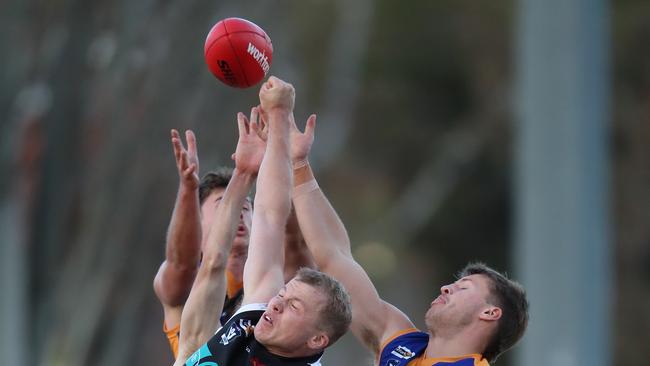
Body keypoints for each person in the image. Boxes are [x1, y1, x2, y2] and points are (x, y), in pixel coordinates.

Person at [289, 115, 529, 365]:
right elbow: (334, 259)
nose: (447, 288)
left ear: (490, 313)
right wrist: (299, 163)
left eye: (464, 288)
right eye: (455, 284)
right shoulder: (402, 344)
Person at [174, 76, 352, 366]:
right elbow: (269, 217)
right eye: (282, 295)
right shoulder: (254, 318)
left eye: (293, 306)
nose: (276, 304)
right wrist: (279, 116)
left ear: (317, 339)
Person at [154, 109, 315, 358]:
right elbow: (182, 263)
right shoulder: (188, 283)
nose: (239, 212)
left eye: (247, 207)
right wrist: (188, 188)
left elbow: (296, 246)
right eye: (223, 205)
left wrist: (285, 158)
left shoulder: (279, 287)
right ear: (198, 222)